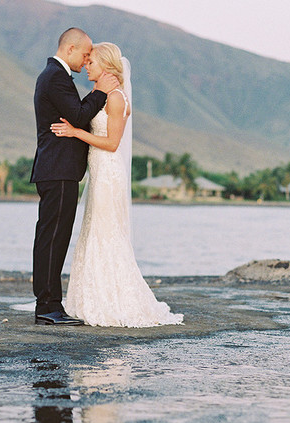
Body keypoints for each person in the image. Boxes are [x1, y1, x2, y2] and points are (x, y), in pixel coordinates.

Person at [51, 43, 183, 327]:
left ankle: (115, 300)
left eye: (92, 62)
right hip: (98, 172)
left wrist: (75, 132)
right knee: (93, 232)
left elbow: (112, 144)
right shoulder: (101, 95)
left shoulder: (116, 99)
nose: (87, 65)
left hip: (109, 173)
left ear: (107, 67)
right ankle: (90, 298)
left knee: (107, 234)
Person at [31, 28, 119, 325]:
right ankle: (48, 306)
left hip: (58, 169)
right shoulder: (55, 76)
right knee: (53, 238)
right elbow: (79, 115)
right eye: (84, 54)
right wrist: (100, 92)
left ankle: (48, 303)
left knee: (53, 237)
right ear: (70, 49)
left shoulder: (55, 75)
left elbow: (76, 115)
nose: (86, 61)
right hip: (57, 169)